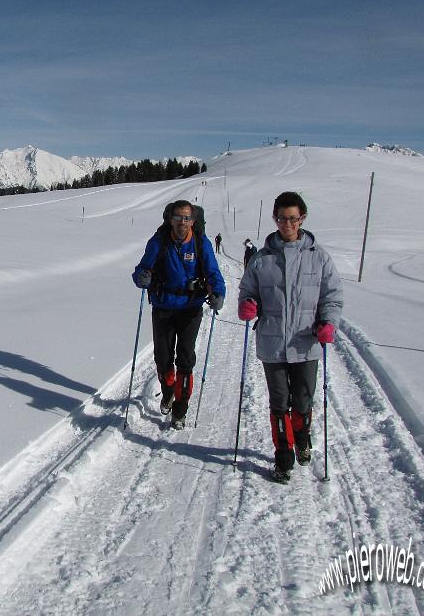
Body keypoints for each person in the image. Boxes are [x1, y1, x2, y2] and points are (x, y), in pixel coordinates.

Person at [237, 191, 343, 483]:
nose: (287, 224)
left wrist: (328, 322)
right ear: (275, 219)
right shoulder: (261, 259)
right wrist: (248, 305)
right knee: (279, 402)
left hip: (306, 342)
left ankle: (303, 438)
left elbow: (332, 296)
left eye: (293, 218)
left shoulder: (319, 257)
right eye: (282, 218)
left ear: (302, 219)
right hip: (272, 341)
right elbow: (247, 291)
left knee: (303, 401)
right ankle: (283, 456)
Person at [132, 201, 226, 429]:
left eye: (186, 218)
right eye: (177, 217)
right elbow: (142, 269)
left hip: (190, 308)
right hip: (163, 306)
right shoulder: (159, 242)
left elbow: (213, 273)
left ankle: (180, 409)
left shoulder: (200, 242)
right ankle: (168, 392)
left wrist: (218, 293)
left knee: (185, 358)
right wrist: (141, 277)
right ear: (170, 219)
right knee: (163, 359)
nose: (182, 222)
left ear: (193, 221)